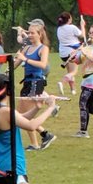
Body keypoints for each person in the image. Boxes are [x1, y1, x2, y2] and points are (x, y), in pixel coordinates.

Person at [12, 21, 56, 151]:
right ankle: (45, 135)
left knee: (24, 115)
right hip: (27, 82)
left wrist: (25, 59)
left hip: (36, 82)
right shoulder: (26, 48)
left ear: (40, 34)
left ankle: (35, 143)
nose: (29, 35)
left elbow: (43, 65)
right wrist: (7, 70)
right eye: (28, 32)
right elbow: (15, 64)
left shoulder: (43, 48)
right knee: (21, 115)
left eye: (32, 33)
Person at [55, 12, 83, 96]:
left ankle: (73, 90)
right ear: (69, 19)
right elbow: (83, 35)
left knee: (70, 71)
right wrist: (82, 25)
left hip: (63, 53)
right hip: (72, 52)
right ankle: (62, 82)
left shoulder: (59, 28)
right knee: (74, 72)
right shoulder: (72, 27)